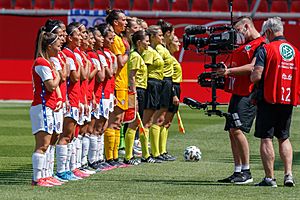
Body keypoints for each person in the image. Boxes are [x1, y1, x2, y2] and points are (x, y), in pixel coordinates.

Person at [251, 17, 299, 187]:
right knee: (284, 138)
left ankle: (270, 178)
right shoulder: (295, 51)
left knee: (266, 138)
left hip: (269, 98)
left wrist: (253, 80)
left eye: (265, 33)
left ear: (269, 32)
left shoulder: (266, 49)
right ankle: (289, 175)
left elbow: (256, 75)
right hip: (288, 98)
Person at [217, 16, 265, 184]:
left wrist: (229, 71)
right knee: (232, 130)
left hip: (249, 93)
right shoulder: (244, 46)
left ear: (246, 27)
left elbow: (253, 67)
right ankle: (238, 171)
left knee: (237, 129)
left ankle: (246, 171)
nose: (237, 36)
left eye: (238, 31)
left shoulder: (261, 44)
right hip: (238, 92)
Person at [30, 28, 62, 187]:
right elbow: (50, 86)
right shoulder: (41, 63)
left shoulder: (47, 62)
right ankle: (37, 179)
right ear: (49, 46)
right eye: (57, 45)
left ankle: (46, 175)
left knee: (49, 142)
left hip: (48, 107)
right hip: (42, 107)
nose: (59, 47)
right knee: (42, 144)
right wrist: (58, 76)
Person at [104, 9, 130, 166]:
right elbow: (120, 62)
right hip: (117, 83)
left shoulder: (119, 38)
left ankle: (113, 157)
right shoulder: (116, 40)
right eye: (123, 20)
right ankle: (110, 157)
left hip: (122, 83)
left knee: (118, 122)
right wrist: (128, 51)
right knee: (113, 121)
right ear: (115, 22)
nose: (126, 23)